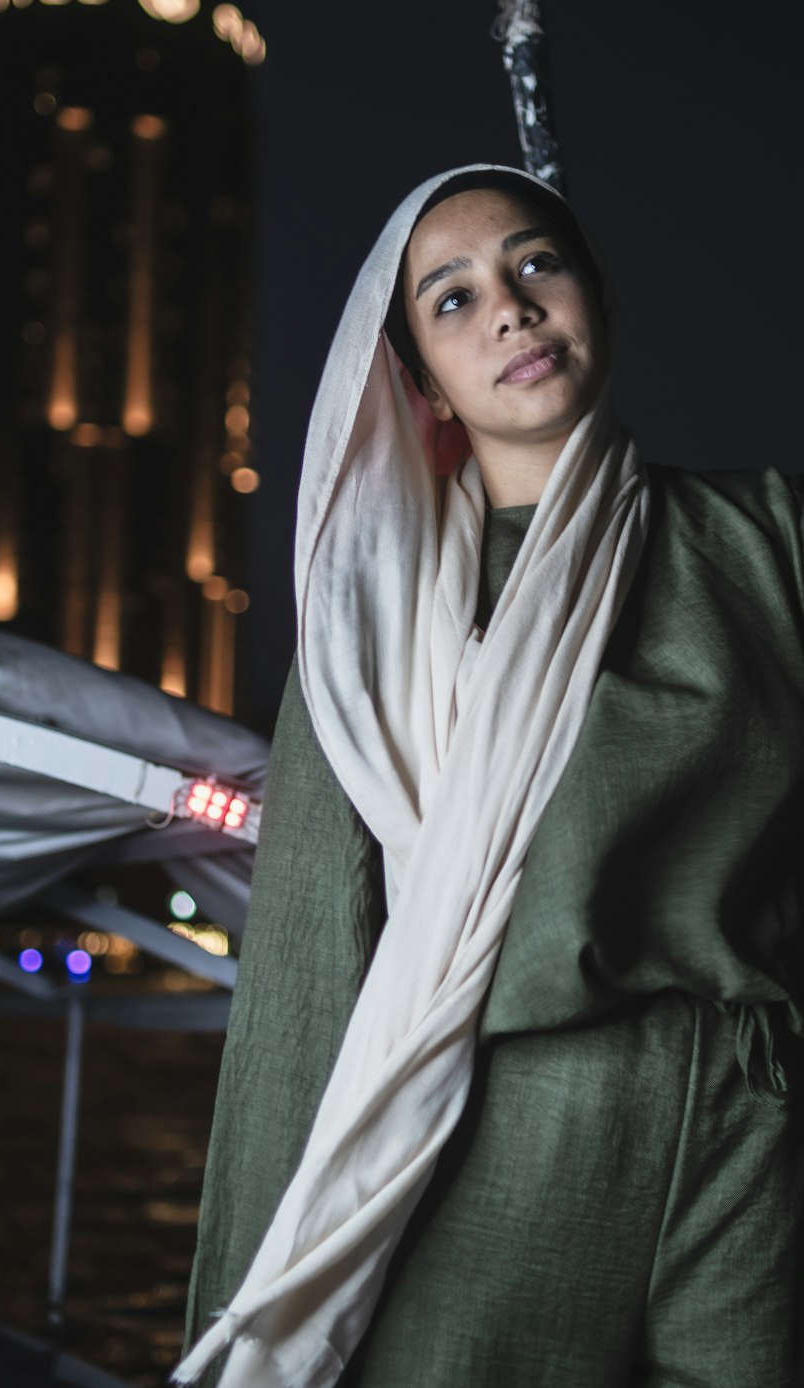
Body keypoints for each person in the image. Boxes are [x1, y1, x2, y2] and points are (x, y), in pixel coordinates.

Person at [176, 165, 804, 1388]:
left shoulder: (764, 537)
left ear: (598, 299)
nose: (509, 309)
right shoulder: (379, 628)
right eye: (452, 300)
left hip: (748, 1117)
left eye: (535, 265)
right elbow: (310, 961)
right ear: (418, 380)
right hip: (500, 1143)